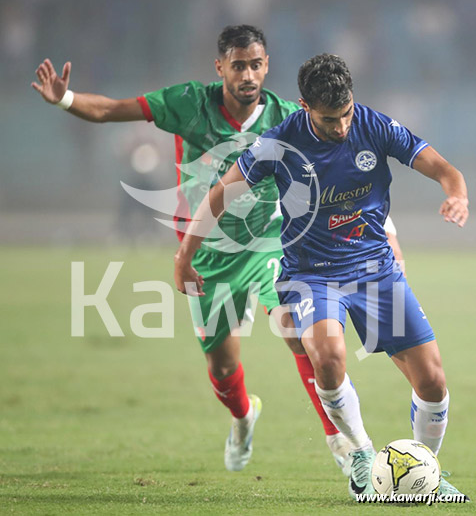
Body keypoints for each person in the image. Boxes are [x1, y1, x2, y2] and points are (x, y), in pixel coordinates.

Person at [33, 26, 376, 473]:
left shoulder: (287, 115)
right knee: (221, 367)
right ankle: (242, 415)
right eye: (238, 66)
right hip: (207, 256)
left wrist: (376, 220)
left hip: (271, 243)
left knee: (297, 329)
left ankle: (345, 449)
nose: (248, 74)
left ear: (266, 65)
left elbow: (342, 158)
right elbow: (113, 110)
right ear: (221, 68)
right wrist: (65, 99)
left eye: (256, 64)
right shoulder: (189, 103)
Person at [174, 53, 469, 499]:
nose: (342, 127)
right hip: (312, 275)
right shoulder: (277, 144)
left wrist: (457, 195)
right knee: (328, 357)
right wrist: (184, 256)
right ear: (304, 106)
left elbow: (445, 169)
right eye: (330, 119)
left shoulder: (375, 126)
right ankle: (362, 454)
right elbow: (220, 194)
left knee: (433, 381)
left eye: (346, 113)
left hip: (376, 270)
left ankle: (423, 475)